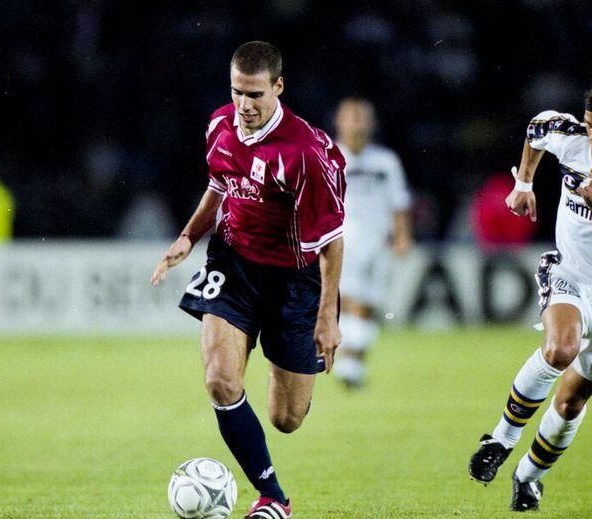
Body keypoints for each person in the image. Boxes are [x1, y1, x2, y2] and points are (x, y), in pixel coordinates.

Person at [150, 41, 345, 519]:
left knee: (286, 419)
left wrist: (328, 317)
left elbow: (332, 241)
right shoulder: (220, 125)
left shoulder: (304, 153)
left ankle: (294, 377)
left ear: (278, 87)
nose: (244, 104)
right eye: (237, 92)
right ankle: (273, 497)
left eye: (255, 94)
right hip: (233, 265)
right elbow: (219, 185)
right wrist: (189, 236)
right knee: (220, 380)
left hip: (294, 282)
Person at [468, 76, 592, 511]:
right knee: (561, 348)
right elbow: (536, 129)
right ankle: (500, 439)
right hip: (569, 272)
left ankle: (529, 477)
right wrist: (524, 184)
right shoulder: (573, 136)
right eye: (590, 124)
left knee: (572, 400)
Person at [331, 97, 412, 388]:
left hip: (378, 241)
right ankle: (349, 363)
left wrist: (402, 236)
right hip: (341, 239)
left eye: (361, 118)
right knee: (347, 297)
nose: (356, 125)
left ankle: (353, 359)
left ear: (371, 124)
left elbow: (399, 202)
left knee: (369, 302)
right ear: (339, 122)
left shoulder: (385, 161)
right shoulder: (328, 158)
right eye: (351, 118)